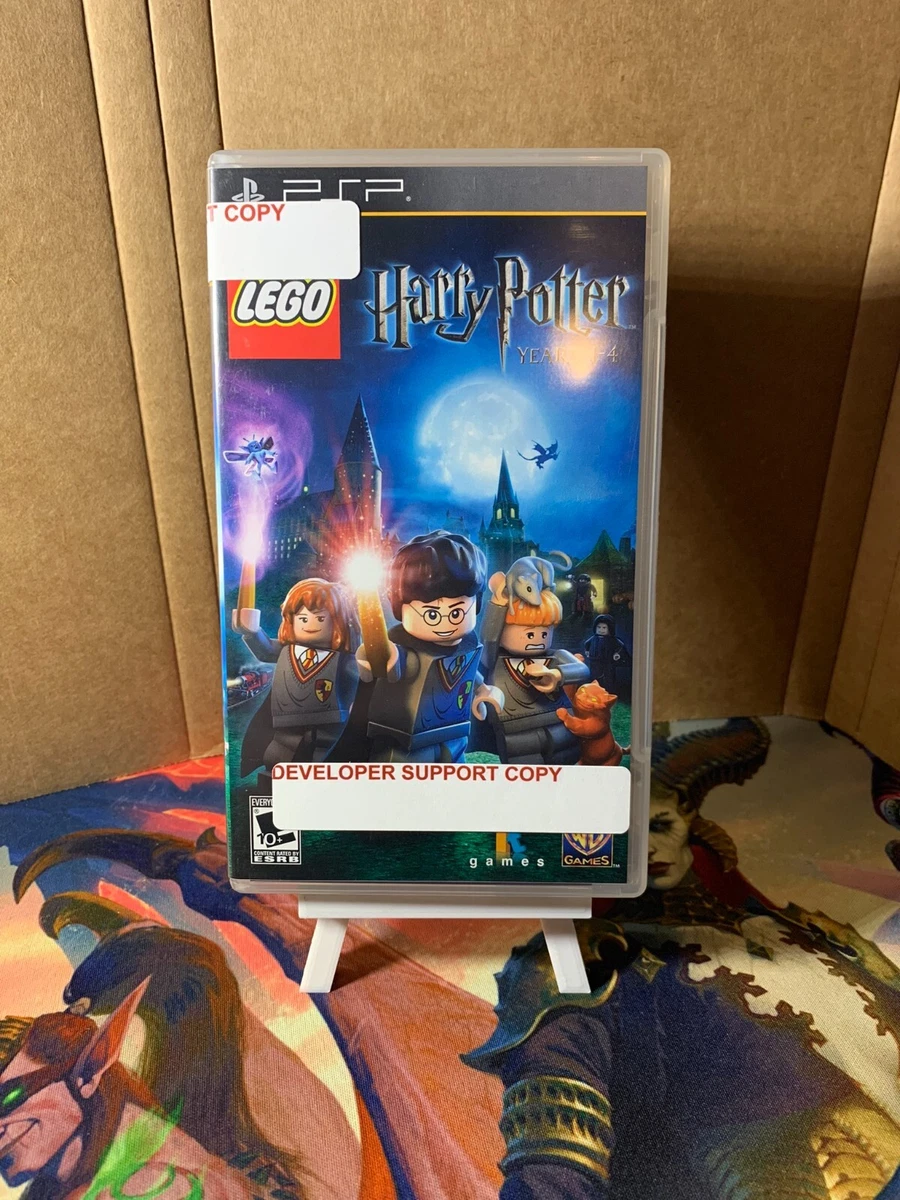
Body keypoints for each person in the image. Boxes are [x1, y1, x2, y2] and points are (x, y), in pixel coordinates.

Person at [336, 531, 503, 764]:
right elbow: (387, 660)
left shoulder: (466, 647)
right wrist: (375, 655)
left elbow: (465, 673)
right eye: (432, 614)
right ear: (401, 608)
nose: (445, 623)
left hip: (454, 736)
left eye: (456, 612)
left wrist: (484, 690)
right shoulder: (407, 652)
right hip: (408, 746)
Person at [233, 578, 359, 773]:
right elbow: (264, 649)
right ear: (291, 620)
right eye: (303, 618)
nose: (310, 624)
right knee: (277, 759)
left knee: (323, 764)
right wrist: (251, 630)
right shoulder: (286, 651)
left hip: (328, 727)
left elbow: (362, 676)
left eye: (320, 618)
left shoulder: (343, 659)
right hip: (285, 725)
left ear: (338, 622)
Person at [477, 559, 588, 763]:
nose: (537, 640)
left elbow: (582, 670)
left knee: (565, 759)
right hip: (515, 723)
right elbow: (488, 638)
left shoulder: (553, 657)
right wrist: (498, 605)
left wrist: (557, 675)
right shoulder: (496, 660)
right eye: (530, 634)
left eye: (544, 633)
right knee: (524, 764)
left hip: (558, 717)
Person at [583, 612, 632, 703]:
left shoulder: (612, 640)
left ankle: (608, 695)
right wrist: (587, 651)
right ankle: (595, 694)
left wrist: (617, 654)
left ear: (610, 629)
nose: (601, 630)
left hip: (608, 663)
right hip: (595, 663)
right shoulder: (593, 639)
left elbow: (620, 646)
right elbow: (586, 644)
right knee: (595, 678)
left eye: (604, 628)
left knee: (608, 679)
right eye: (599, 627)